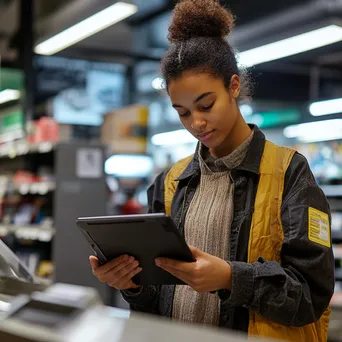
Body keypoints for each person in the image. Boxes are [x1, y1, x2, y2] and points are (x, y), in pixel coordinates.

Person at [89, 0, 335, 340]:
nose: (197, 122)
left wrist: (230, 278)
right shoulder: (170, 182)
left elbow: (312, 296)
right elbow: (154, 297)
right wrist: (129, 282)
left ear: (233, 87)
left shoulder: (289, 172)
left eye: (206, 105)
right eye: (183, 112)